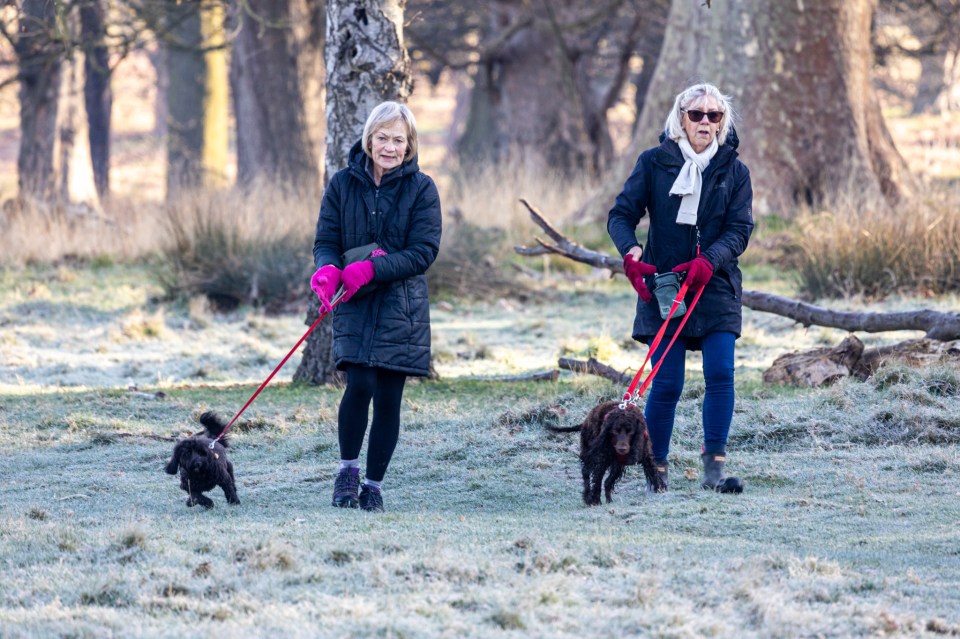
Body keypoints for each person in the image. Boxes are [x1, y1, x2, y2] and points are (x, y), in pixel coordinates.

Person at [607, 83, 753, 494]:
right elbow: (620, 215)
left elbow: (740, 229)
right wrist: (632, 253)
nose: (705, 121)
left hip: (716, 284)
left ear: (722, 122)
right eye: (697, 114)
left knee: (721, 373)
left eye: (714, 115)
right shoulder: (654, 162)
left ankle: (714, 469)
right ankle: (657, 468)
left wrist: (710, 260)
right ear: (681, 117)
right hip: (666, 288)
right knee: (667, 383)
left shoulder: (735, 170)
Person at [310, 101, 442, 512]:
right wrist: (328, 270)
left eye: (398, 140)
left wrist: (372, 268)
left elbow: (424, 251)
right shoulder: (341, 185)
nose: (389, 147)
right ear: (369, 139)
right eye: (382, 138)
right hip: (353, 300)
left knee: (388, 395)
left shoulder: (423, 188)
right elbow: (325, 240)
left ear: (409, 144)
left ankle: (373, 485)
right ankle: (347, 472)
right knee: (360, 383)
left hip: (401, 305)